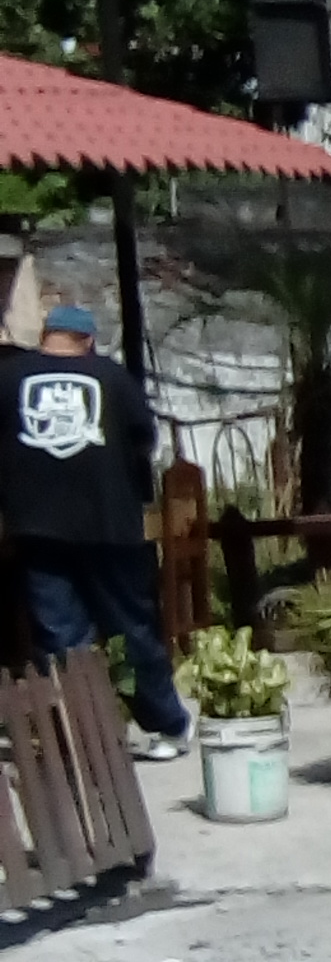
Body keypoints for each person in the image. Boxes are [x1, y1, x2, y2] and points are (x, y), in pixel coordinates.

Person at [0, 297, 189, 748]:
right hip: (111, 526)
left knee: (60, 634)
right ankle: (168, 726)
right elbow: (144, 438)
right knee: (131, 625)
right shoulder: (113, 377)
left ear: (46, 336)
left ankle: (86, 734)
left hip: (36, 528)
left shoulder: (6, 378)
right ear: (87, 341)